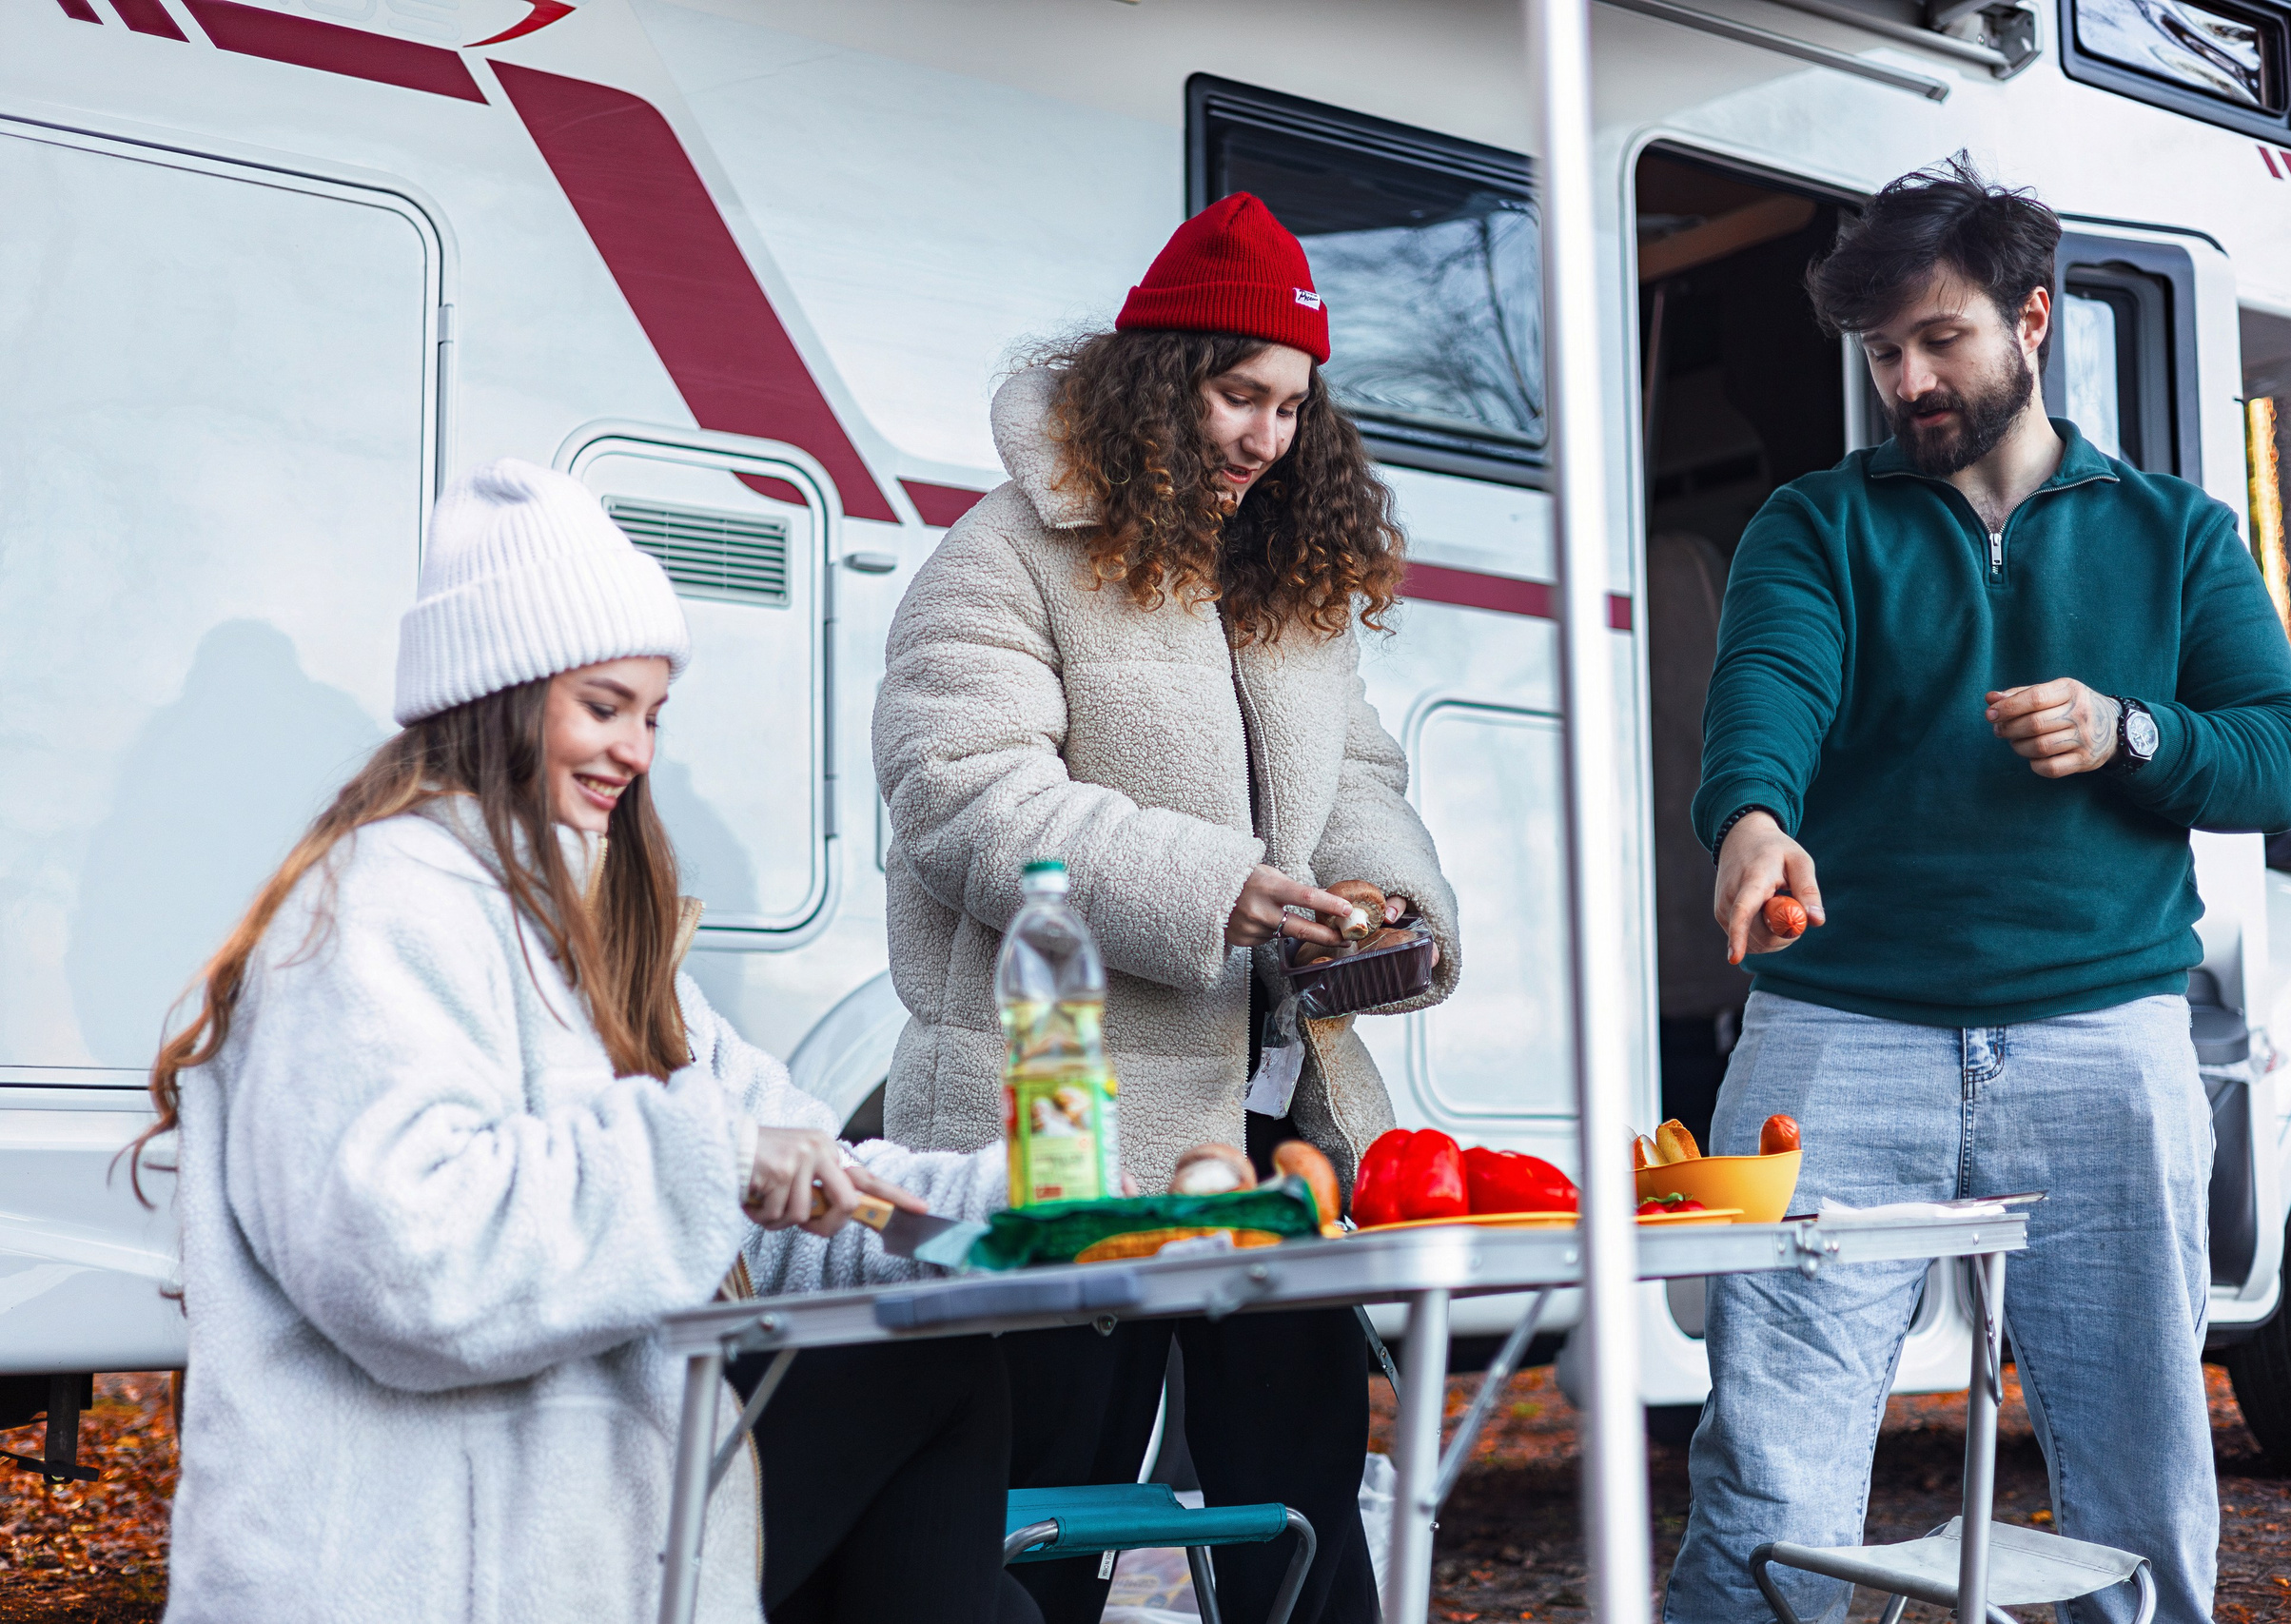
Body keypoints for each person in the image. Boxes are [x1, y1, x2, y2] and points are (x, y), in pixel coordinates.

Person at [147, 460, 1040, 1624]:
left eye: (653, 715)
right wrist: (709, 1162)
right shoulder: (378, 905)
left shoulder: (594, 931)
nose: (637, 751)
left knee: (938, 1374)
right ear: (500, 697)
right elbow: (404, 1262)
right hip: (403, 1567)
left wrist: (1029, 1204)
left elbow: (812, 1177)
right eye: (603, 707)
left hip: (566, 1535)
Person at [1667, 157, 2291, 1624]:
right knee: (1768, 1478)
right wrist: (1756, 817)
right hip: (1834, 1039)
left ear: (2032, 318)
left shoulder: (2179, 533)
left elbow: (2276, 757)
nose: (1906, 378)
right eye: (1882, 352)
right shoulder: (1815, 522)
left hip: (2106, 1036)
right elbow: (1766, 685)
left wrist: (2130, 730)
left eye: (1937, 337)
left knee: (2142, 1472)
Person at [872, 192, 1461, 1622]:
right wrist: (1215, 886)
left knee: (1302, 1488)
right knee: (1045, 1504)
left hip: (1274, 1130)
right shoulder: (1003, 553)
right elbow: (959, 788)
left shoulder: (1292, 582)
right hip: (1065, 1122)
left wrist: (1387, 902)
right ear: (1155, 378)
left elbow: (1359, 778)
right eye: (1237, 392)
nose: (1266, 436)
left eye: (1290, 408)